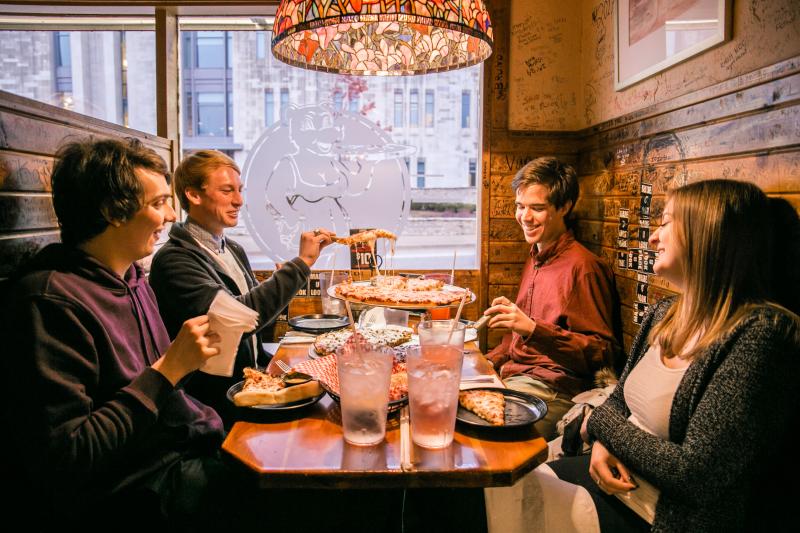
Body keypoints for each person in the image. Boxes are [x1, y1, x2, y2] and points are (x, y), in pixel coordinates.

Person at [486, 179, 799, 532]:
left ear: (706, 232)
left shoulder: (761, 334)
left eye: (665, 223)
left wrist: (602, 428)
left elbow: (697, 474)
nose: (652, 238)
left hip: (656, 513)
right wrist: (604, 440)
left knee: (488, 506)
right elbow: (618, 400)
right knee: (485, 492)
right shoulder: (665, 312)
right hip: (610, 476)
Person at [0, 137, 251, 529]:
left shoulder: (133, 276)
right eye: (158, 203)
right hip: (137, 490)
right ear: (112, 211)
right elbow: (69, 456)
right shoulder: (49, 302)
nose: (171, 215)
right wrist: (168, 370)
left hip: (186, 451)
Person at [149, 149, 333, 425]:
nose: (238, 200)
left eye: (239, 190)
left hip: (251, 383)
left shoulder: (231, 248)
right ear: (193, 195)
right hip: (217, 408)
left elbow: (254, 333)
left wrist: (284, 369)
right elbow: (238, 320)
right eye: (226, 191)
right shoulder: (174, 261)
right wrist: (302, 263)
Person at [483, 157, 621, 440]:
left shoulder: (584, 268)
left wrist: (534, 330)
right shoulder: (536, 255)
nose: (525, 217)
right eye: (520, 207)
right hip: (516, 376)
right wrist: (488, 360)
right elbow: (515, 339)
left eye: (537, 208)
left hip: (553, 388)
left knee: (487, 437)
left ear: (564, 207)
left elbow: (603, 355)